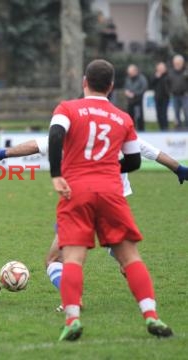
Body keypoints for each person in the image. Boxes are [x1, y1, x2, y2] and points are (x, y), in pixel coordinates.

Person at [0, 137, 188, 311]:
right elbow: (151, 152)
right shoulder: (119, 125)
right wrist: (178, 168)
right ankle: (149, 311)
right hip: (114, 204)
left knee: (55, 259)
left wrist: (4, 153)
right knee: (128, 259)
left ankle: (74, 301)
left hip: (82, 202)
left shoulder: (75, 126)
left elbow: (39, 144)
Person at [47, 59, 172, 341]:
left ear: (84, 82)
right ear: (112, 86)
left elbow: (56, 134)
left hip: (76, 190)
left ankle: (73, 320)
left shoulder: (67, 108)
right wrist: (107, 167)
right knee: (129, 257)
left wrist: (57, 174)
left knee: (74, 258)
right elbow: (134, 161)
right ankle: (151, 315)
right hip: (111, 192)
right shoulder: (122, 118)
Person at [124, 64, 148, 131]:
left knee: (139, 117)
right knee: (130, 117)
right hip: (130, 101)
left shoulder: (142, 78)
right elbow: (126, 87)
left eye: (131, 72)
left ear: (135, 71)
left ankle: (141, 131)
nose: (129, 74)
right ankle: (131, 131)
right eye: (129, 72)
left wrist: (134, 94)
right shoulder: (128, 78)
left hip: (138, 101)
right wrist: (127, 92)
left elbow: (144, 88)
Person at [167, 54, 188, 128]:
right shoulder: (170, 72)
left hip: (185, 96)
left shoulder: (186, 71)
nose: (177, 64)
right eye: (175, 62)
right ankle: (178, 129)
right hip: (175, 96)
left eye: (178, 62)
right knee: (176, 114)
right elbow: (168, 83)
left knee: (186, 113)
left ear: (182, 62)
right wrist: (170, 91)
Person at [151, 62, 170, 131]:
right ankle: (161, 128)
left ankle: (165, 128)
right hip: (157, 97)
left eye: (162, 68)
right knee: (158, 114)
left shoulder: (168, 75)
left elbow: (170, 84)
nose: (161, 69)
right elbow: (151, 84)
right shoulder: (155, 75)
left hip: (165, 97)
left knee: (164, 113)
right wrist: (156, 77)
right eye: (159, 68)